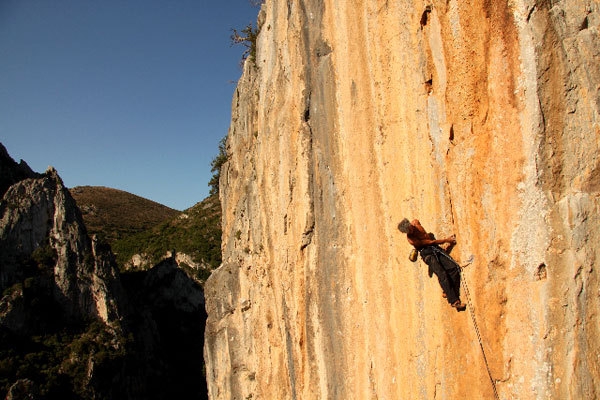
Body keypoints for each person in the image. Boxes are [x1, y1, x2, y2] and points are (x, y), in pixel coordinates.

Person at [398, 218, 466, 311]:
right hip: (427, 253)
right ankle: (454, 302)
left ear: (410, 223)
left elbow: (429, 238)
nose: (411, 230)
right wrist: (447, 240)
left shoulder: (416, 222)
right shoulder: (412, 239)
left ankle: (447, 291)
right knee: (442, 275)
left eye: (410, 227)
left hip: (434, 248)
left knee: (454, 268)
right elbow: (430, 242)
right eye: (408, 231)